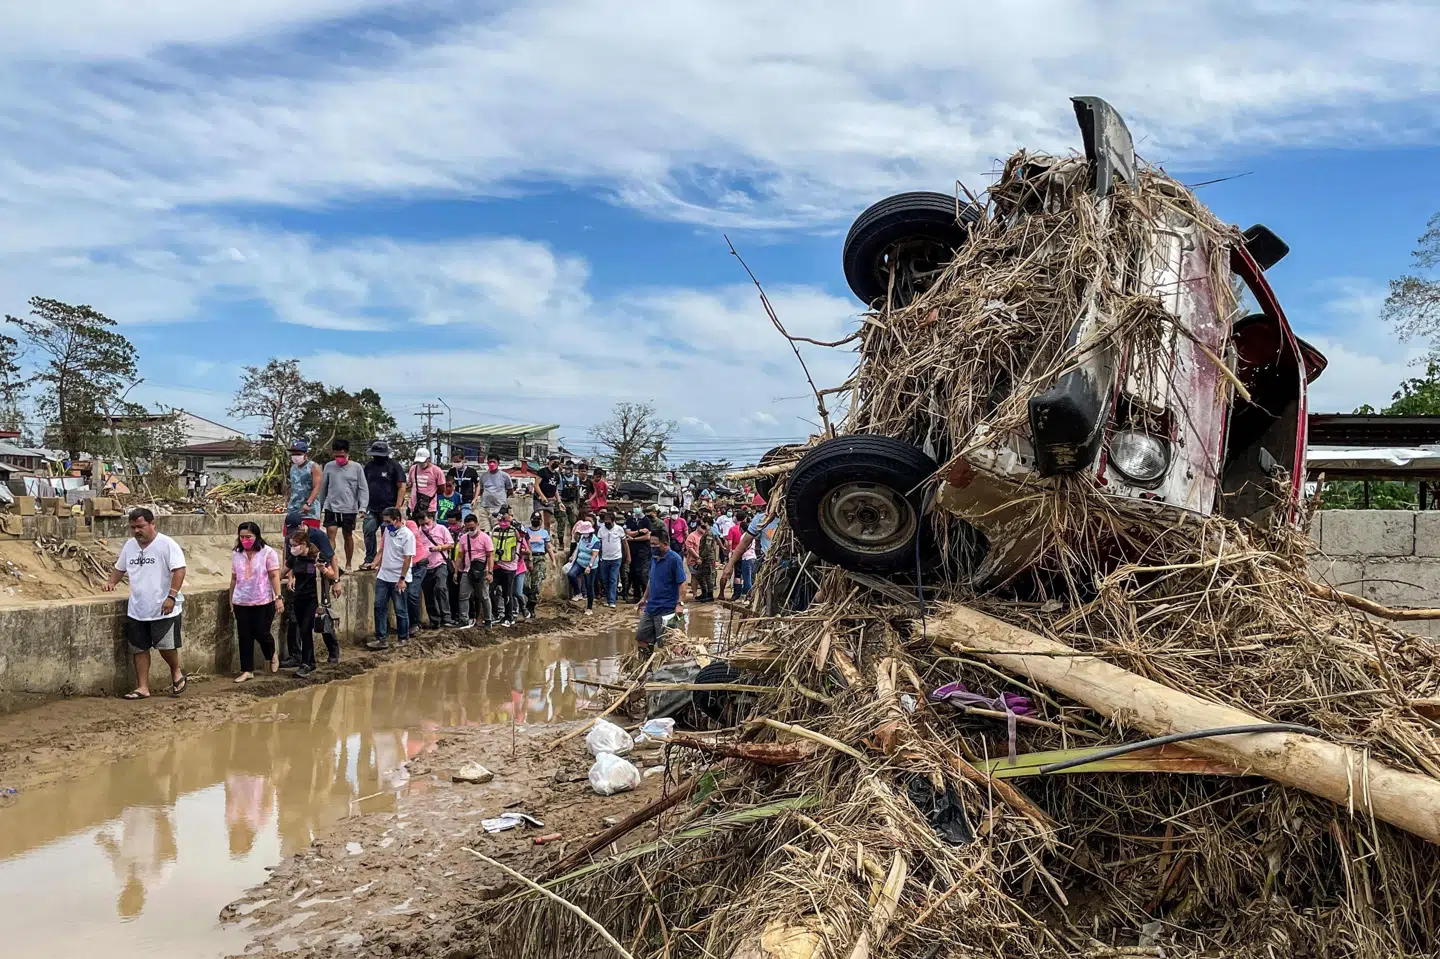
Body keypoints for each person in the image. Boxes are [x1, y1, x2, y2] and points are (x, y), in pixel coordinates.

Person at [102, 508, 188, 700]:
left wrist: (171, 596)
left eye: (140, 526)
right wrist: (111, 583)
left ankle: (176, 671)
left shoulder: (166, 544)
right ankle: (142, 687)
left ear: (152, 524)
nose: (136, 531)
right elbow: (120, 568)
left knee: (166, 646)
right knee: (139, 648)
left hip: (164, 607)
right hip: (138, 608)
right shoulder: (130, 546)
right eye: (133, 527)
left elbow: (179, 570)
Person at [284, 525, 340, 677]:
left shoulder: (317, 557)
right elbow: (282, 571)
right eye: (291, 545)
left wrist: (325, 571)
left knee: (305, 630)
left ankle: (306, 663)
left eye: (295, 545)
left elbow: (332, 574)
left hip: (314, 600)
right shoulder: (294, 558)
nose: (292, 548)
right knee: (303, 630)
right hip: (299, 598)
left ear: (304, 544)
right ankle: (311, 661)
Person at [229, 521, 282, 683]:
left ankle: (271, 653)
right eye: (242, 537)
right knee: (244, 636)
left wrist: (278, 597)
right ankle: (247, 670)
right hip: (241, 600)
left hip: (263, 600)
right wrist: (231, 598)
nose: (245, 539)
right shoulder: (237, 554)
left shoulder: (268, 553)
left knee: (261, 632)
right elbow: (234, 578)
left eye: (248, 537)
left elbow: (274, 576)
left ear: (256, 536)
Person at [367, 507, 414, 650]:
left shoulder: (407, 535)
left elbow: (407, 559)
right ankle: (382, 639)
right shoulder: (388, 531)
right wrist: (375, 563)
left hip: (398, 577)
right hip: (383, 576)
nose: (386, 525)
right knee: (379, 606)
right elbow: (382, 550)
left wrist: (402, 579)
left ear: (397, 519)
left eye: (388, 521)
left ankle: (403, 637)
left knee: (400, 609)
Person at [318, 438, 368, 571]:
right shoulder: (329, 467)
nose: (339, 458)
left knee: (348, 535)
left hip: (349, 508)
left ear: (347, 453)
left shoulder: (357, 468)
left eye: (342, 455)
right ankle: (330, 562)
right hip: (332, 507)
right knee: (331, 533)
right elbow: (323, 488)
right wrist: (319, 507)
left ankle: (348, 563)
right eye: (336, 456)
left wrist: (363, 507)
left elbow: (363, 488)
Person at [636, 527, 688, 653]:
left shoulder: (674, 559)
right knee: (642, 638)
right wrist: (644, 598)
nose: (652, 547)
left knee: (670, 644)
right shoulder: (654, 557)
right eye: (651, 544)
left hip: (668, 610)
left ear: (665, 544)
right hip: (651, 607)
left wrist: (680, 604)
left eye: (655, 544)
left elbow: (682, 584)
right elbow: (651, 579)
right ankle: (646, 668)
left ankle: (677, 668)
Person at [361, 440, 407, 570]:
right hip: (371, 507)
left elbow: (402, 487)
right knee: (368, 531)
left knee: (387, 535)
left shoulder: (394, 466)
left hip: (389, 508)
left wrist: (397, 507)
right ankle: (369, 558)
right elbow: (363, 486)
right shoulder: (369, 466)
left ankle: (385, 560)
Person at [414, 510, 458, 628]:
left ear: (432, 519)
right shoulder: (419, 532)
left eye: (427, 523)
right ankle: (435, 620)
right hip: (425, 566)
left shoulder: (441, 529)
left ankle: (446, 617)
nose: (425, 526)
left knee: (441, 588)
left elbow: (451, 544)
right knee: (428, 593)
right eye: (422, 524)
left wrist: (439, 547)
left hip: (440, 563)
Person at [454, 513, 495, 628]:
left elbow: (490, 556)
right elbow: (460, 556)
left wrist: (490, 572)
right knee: (463, 595)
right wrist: (456, 572)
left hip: (482, 571)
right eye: (468, 528)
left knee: (484, 596)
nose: (470, 530)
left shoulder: (485, 538)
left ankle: (488, 620)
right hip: (468, 571)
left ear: (477, 524)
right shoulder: (463, 538)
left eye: (472, 528)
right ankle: (464, 619)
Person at [489, 506, 523, 626]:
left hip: (510, 567)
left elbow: (523, 534)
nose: (502, 522)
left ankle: (509, 618)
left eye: (505, 520)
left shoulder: (515, 530)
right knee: (489, 590)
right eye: (501, 520)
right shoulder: (495, 529)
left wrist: (511, 520)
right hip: (497, 566)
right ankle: (496, 614)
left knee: (507, 593)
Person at [286, 440, 323, 530]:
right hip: (293, 509)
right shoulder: (293, 468)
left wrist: (309, 503)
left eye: (298, 454)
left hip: (309, 511)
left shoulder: (314, 467)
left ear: (305, 454)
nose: (295, 456)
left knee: (310, 538)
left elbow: (317, 487)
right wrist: (287, 500)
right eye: (293, 454)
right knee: (291, 536)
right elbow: (292, 485)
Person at [595, 508, 627, 609]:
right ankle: (609, 598)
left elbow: (624, 543)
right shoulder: (601, 530)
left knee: (613, 579)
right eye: (605, 522)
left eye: (609, 522)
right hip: (604, 558)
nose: (607, 524)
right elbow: (598, 544)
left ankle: (612, 601)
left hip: (616, 558)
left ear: (613, 521)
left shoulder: (619, 529)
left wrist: (627, 555)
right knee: (605, 579)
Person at [566, 519, 599, 615]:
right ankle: (578, 592)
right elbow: (578, 548)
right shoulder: (581, 538)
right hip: (580, 562)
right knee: (571, 574)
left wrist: (589, 566)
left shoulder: (595, 541)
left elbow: (594, 555)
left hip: (590, 566)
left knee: (589, 586)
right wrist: (573, 556)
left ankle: (589, 607)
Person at [622, 505, 654, 603]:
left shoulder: (646, 521)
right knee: (633, 573)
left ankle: (647, 596)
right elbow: (627, 533)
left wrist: (634, 538)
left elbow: (647, 536)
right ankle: (637, 596)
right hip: (632, 550)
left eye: (638, 506)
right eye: (634, 506)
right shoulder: (630, 520)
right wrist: (640, 531)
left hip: (643, 550)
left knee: (643, 574)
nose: (636, 508)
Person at [523, 511, 551, 618]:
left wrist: (553, 560)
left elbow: (548, 547)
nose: (535, 521)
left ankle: (531, 606)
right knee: (525, 583)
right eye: (534, 519)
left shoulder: (544, 533)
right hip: (527, 558)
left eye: (537, 520)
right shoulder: (526, 532)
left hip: (540, 558)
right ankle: (526, 602)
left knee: (536, 582)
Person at [407, 448, 446, 519]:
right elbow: (411, 484)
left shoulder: (436, 471)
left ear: (428, 459)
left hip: (429, 507)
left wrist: (430, 495)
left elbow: (442, 489)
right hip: (414, 506)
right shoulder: (413, 468)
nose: (420, 464)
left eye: (422, 461)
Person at [479, 457, 515, 529]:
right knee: (485, 531)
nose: (491, 464)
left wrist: (501, 498)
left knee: (497, 530)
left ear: (498, 463)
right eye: (490, 462)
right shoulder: (483, 476)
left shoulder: (505, 476)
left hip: (498, 508)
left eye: (494, 462)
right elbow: (481, 490)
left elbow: (510, 490)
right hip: (485, 508)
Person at [447, 449, 481, 519]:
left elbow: (477, 485)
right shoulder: (451, 471)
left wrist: (475, 499)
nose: (456, 463)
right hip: (454, 500)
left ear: (463, 460)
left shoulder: (471, 471)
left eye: (458, 461)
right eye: (454, 461)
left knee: (464, 519)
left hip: (467, 500)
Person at [556, 460, 580, 547]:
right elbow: (558, 490)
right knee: (561, 522)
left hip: (572, 502)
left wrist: (577, 504)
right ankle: (561, 543)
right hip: (562, 501)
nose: (567, 470)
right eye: (566, 468)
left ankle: (574, 542)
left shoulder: (576, 478)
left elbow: (577, 492)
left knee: (573, 523)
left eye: (569, 468)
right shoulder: (561, 477)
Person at [534, 455, 561, 534]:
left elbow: (555, 488)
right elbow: (536, 485)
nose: (556, 464)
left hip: (550, 500)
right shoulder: (542, 471)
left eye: (558, 462)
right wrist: (542, 496)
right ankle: (537, 536)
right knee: (537, 519)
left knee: (548, 522)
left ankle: (546, 538)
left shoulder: (557, 475)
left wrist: (559, 501)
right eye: (554, 462)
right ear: (549, 462)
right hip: (539, 499)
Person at [694, 512, 717, 603]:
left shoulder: (709, 533)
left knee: (708, 576)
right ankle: (704, 592)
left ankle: (710, 595)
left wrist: (701, 558)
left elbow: (707, 547)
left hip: (707, 558)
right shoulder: (707, 532)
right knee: (699, 575)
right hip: (705, 557)